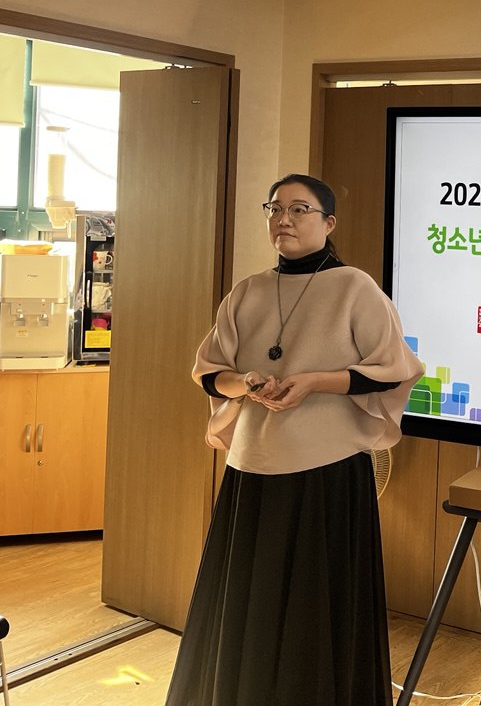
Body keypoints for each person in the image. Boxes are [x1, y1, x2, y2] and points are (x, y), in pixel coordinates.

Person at [166, 173, 425, 706]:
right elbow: (210, 372)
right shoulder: (247, 291)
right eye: (275, 208)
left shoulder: (355, 287)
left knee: (314, 604)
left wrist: (315, 382)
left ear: (329, 223)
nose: (284, 219)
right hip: (252, 466)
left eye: (300, 209)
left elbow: (394, 369)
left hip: (327, 468)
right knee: (247, 600)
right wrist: (247, 383)